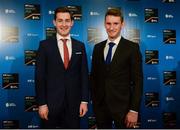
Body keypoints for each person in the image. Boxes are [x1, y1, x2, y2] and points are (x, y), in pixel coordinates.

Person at [35, 7, 89, 128]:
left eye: (67, 20)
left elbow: (84, 75)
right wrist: (42, 104)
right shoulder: (44, 46)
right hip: (50, 106)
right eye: (60, 20)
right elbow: (40, 77)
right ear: (54, 22)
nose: (64, 24)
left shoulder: (80, 46)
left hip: (73, 105)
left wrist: (84, 101)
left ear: (72, 23)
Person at [90, 8, 143, 128]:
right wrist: (95, 103)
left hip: (124, 108)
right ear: (104, 24)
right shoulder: (97, 48)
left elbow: (138, 81)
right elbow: (93, 77)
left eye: (115, 23)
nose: (111, 27)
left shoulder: (132, 48)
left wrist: (134, 110)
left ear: (122, 24)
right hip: (101, 108)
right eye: (108, 23)